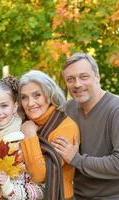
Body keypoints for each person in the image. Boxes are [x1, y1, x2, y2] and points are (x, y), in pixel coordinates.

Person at [52, 53, 119, 199]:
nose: (77, 84)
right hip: (77, 196)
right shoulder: (68, 109)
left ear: (97, 77)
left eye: (83, 77)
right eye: (70, 79)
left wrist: (76, 159)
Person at [18, 70, 79, 200]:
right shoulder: (22, 124)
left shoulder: (66, 127)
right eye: (24, 97)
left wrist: (30, 136)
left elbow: (40, 175)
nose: (30, 103)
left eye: (37, 95)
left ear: (50, 95)